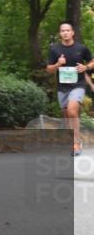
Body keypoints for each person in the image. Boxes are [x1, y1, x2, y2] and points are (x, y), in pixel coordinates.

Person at [46, 21, 92, 157]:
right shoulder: (55, 50)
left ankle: (76, 142)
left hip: (78, 85)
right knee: (67, 117)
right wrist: (57, 64)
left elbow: (92, 61)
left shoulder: (81, 48)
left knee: (72, 110)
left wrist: (86, 67)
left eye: (67, 30)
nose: (65, 32)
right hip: (62, 88)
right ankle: (75, 138)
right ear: (60, 34)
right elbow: (48, 70)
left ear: (72, 32)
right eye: (62, 31)